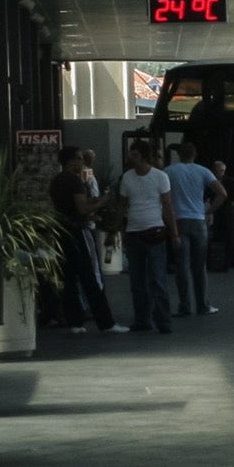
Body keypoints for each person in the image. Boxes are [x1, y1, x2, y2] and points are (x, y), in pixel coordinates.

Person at [48, 147, 118, 334]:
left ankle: (75, 321)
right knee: (91, 275)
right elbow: (82, 208)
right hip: (78, 231)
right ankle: (105, 321)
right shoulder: (74, 181)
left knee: (69, 276)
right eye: (79, 158)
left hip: (62, 231)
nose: (82, 162)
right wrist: (103, 201)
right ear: (71, 161)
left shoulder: (56, 181)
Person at [117, 141, 178, 333]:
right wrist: (117, 229)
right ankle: (145, 319)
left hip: (152, 231)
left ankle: (161, 320)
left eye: (134, 154)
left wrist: (174, 232)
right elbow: (122, 205)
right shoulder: (127, 177)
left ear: (143, 156)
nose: (130, 157)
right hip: (137, 232)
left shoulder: (160, 177)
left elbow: (168, 207)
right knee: (138, 281)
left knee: (155, 278)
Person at [163, 140, 225, 316]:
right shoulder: (203, 171)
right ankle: (202, 305)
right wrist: (208, 211)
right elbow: (222, 193)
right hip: (198, 220)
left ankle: (184, 306)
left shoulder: (169, 172)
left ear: (178, 154)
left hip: (178, 221)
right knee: (199, 266)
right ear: (194, 154)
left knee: (182, 265)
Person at [208, 157, 234, 274]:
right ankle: (214, 262)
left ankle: (225, 264)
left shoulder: (229, 182)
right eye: (216, 170)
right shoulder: (211, 181)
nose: (218, 173)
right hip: (217, 212)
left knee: (229, 239)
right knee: (217, 238)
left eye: (220, 171)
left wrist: (231, 199)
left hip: (227, 213)